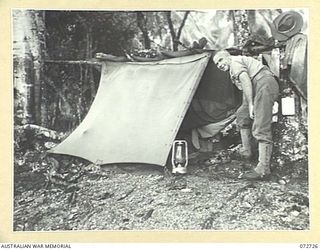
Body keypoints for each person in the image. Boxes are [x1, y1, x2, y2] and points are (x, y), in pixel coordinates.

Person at [213, 50, 279, 180]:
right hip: (258, 86)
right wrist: (245, 108)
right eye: (216, 64)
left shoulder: (235, 62)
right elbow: (244, 86)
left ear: (228, 56)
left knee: (261, 127)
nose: (219, 65)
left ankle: (263, 168)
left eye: (220, 60)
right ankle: (247, 151)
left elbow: (245, 80)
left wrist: (251, 104)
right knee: (241, 114)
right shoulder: (232, 68)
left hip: (264, 84)